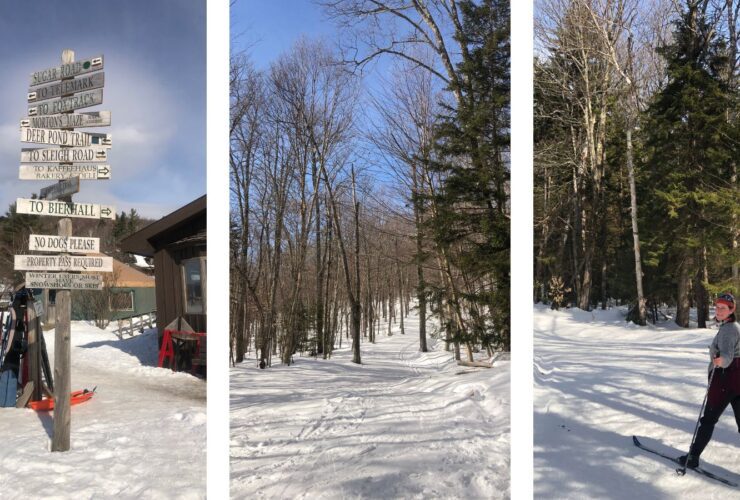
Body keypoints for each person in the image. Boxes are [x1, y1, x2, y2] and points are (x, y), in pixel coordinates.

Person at [679, 292, 740, 468]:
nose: (719, 310)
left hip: (724, 379)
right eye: (717, 307)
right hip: (736, 379)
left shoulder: (729, 329)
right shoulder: (733, 326)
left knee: (708, 420)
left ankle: (692, 457)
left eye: (723, 308)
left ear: (732, 309)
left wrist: (722, 360)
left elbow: (727, 356)